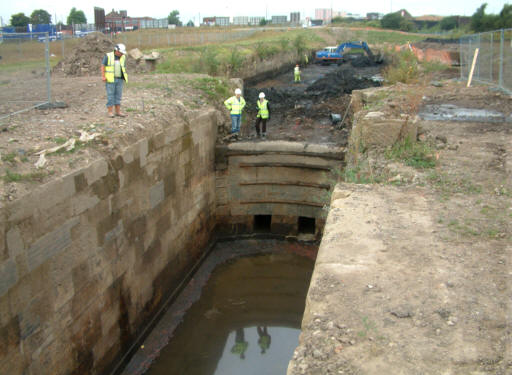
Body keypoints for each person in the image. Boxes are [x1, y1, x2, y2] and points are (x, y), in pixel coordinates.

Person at [101, 43, 128, 118]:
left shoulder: (123, 57)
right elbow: (103, 66)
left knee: (118, 96)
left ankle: (118, 111)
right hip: (110, 79)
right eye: (121, 52)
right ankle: (110, 112)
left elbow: (123, 67)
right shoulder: (108, 56)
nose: (122, 54)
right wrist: (103, 76)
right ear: (117, 51)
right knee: (110, 96)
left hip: (119, 79)